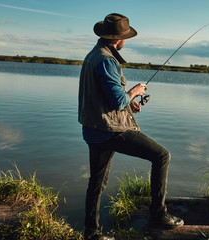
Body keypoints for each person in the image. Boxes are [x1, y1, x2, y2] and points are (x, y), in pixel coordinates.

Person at [78, 13, 184, 240]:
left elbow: (107, 98)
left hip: (93, 129)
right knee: (162, 156)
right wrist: (134, 92)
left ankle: (91, 232)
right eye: (126, 36)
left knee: (96, 182)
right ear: (119, 38)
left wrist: (129, 104)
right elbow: (117, 100)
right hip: (109, 131)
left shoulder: (94, 55)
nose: (127, 39)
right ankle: (158, 215)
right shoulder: (107, 60)